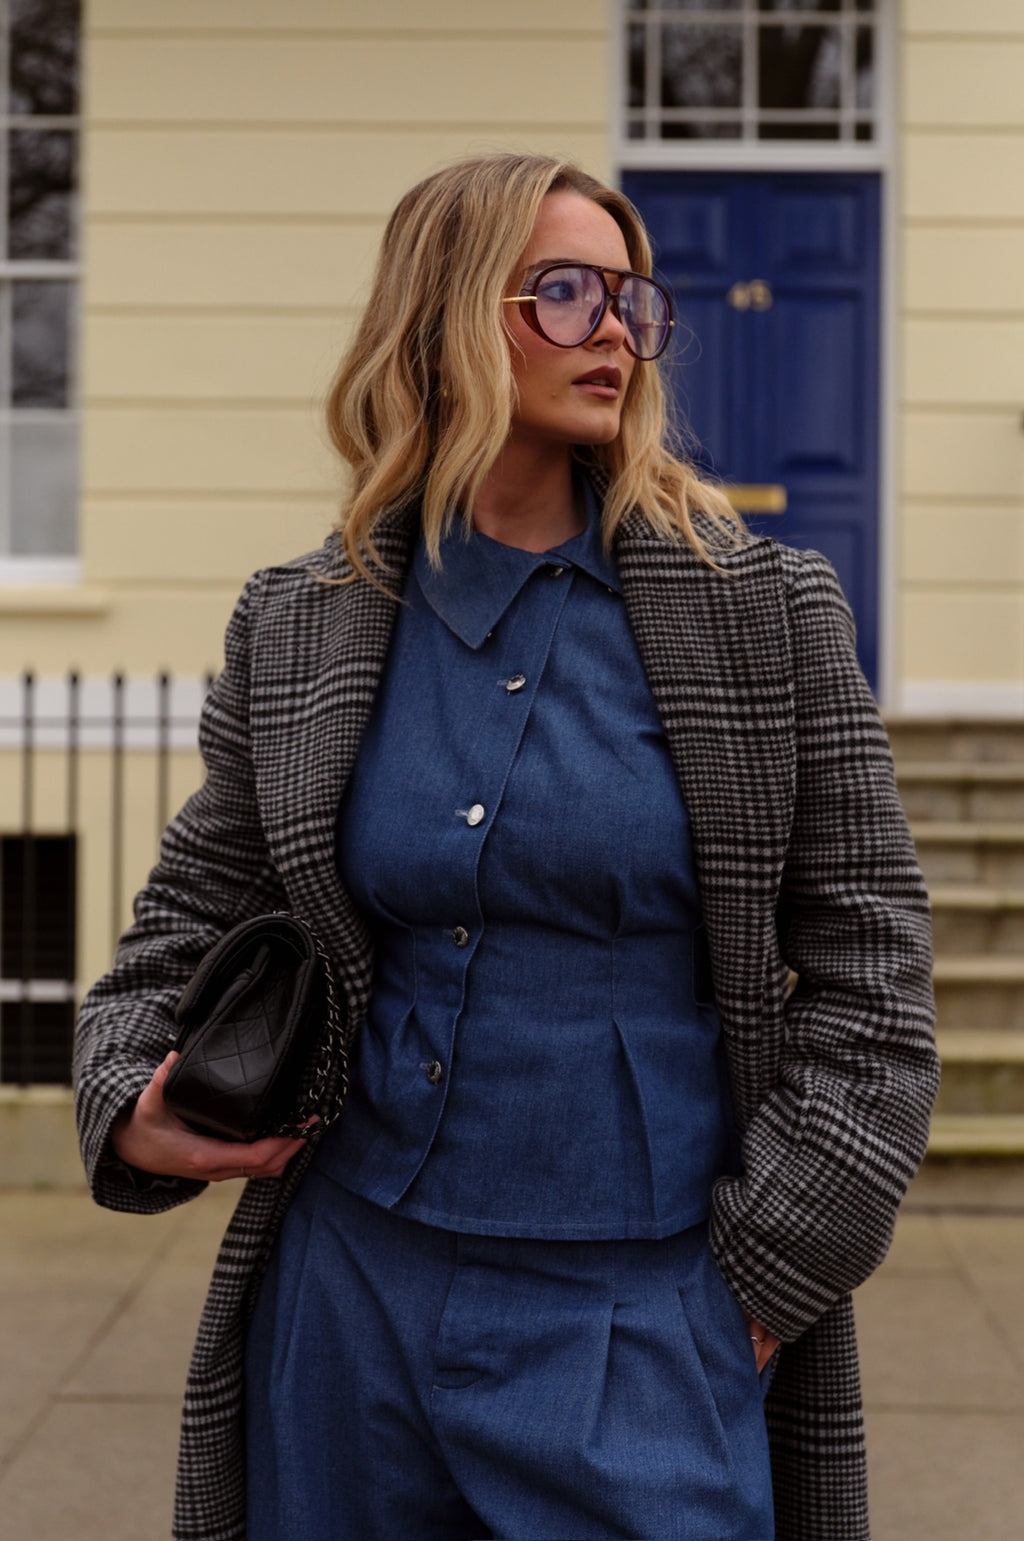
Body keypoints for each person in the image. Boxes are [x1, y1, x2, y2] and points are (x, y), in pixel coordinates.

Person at [74, 153, 938, 1541]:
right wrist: (126, 1092)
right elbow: (181, 920)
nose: (613, 329)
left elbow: (875, 985)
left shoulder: (763, 615)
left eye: (629, 299)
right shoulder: (306, 622)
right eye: (564, 292)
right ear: (444, 316)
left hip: (645, 1323)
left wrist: (765, 1283)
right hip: (345, 1305)